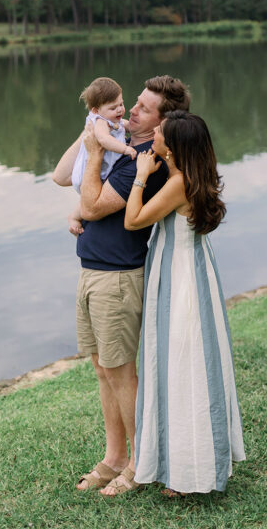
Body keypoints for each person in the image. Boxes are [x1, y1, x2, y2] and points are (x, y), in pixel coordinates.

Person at [52, 75, 191, 493]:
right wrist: (91, 130)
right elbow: (61, 176)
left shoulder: (144, 158)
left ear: (162, 122)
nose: (131, 110)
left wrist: (96, 156)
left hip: (118, 277)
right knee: (102, 369)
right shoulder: (116, 143)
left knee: (120, 371)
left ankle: (139, 461)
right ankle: (114, 458)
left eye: (144, 109)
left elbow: (93, 206)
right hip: (92, 270)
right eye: (134, 103)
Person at [101, 110, 245, 498]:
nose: (156, 131)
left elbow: (133, 221)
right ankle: (182, 463)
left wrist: (142, 176)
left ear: (175, 145)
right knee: (182, 366)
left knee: (184, 370)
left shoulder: (178, 183)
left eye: (162, 131)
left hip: (182, 278)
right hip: (184, 271)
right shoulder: (187, 175)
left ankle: (189, 472)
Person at [71, 77, 137, 193]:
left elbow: (123, 125)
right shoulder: (100, 122)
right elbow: (104, 139)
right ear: (96, 111)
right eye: (113, 108)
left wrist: (136, 128)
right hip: (87, 177)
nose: (119, 110)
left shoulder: (110, 118)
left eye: (121, 104)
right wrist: (125, 149)